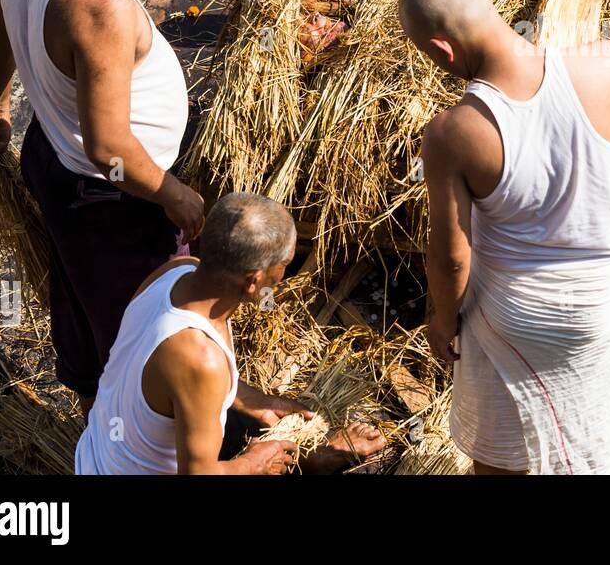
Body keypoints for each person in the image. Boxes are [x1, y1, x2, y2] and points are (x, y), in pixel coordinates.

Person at [400, 0, 610, 474]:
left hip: (513, 318)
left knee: (500, 457)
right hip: (599, 305)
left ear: (440, 50)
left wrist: (443, 322)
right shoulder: (609, 63)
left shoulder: (454, 132)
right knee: (585, 441)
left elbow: (452, 258)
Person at [0, 0, 204, 406]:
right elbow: (108, 149)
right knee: (142, 337)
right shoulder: (96, 0)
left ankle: (91, 404)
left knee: (83, 303)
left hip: (51, 155)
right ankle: (135, 442)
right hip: (112, 197)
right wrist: (173, 195)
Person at [75, 193, 384, 474]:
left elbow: (171, 380)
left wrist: (256, 400)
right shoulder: (201, 360)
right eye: (283, 267)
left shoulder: (175, 272)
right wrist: (252, 463)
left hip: (95, 456)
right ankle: (319, 461)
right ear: (254, 281)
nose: (281, 279)